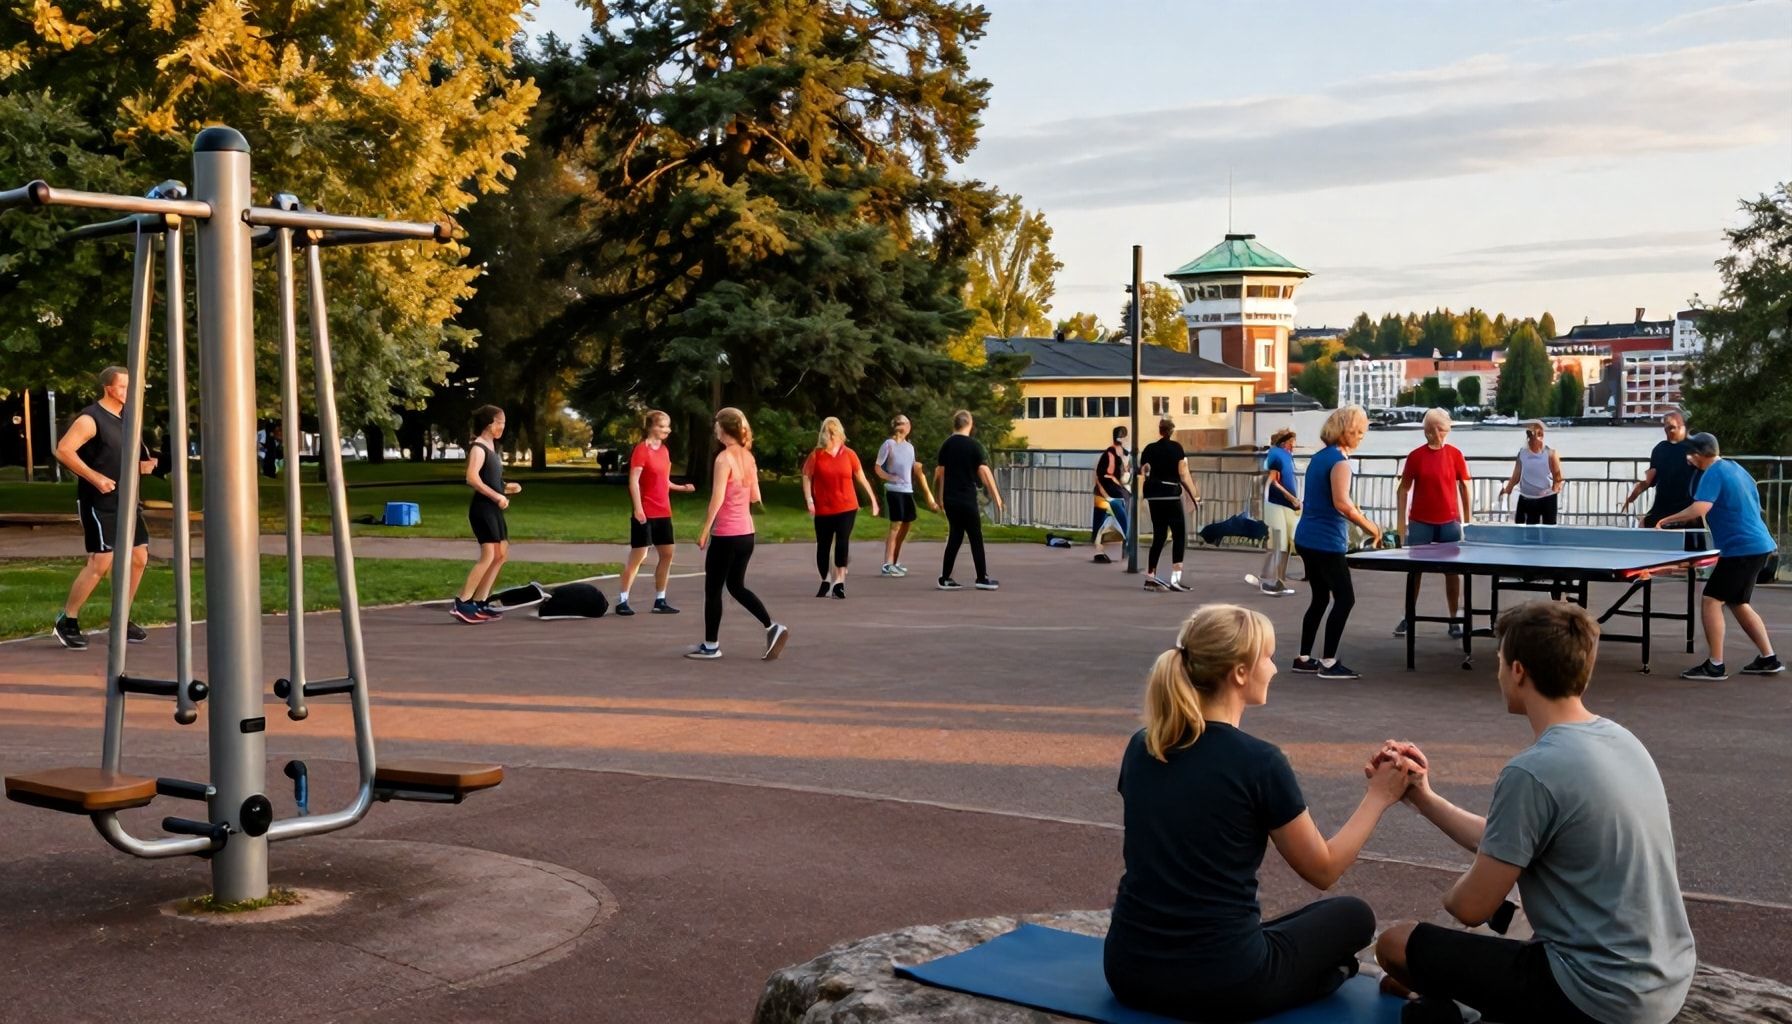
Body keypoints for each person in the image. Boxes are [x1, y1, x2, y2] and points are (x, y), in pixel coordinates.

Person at [1371, 602, 1696, 1024]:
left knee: (1396, 945)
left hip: (1595, 995)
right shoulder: (1621, 739)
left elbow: (1470, 908)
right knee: (1444, 957)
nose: (1499, 673)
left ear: (1519, 671)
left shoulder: (1532, 770)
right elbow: (1511, 838)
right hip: (1664, 982)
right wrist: (1423, 797)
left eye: (1500, 662)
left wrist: (1453, 898)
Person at [1103, 604, 1415, 1021]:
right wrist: (1379, 796)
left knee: (1281, 926)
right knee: (1353, 915)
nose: (1274, 668)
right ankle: (1331, 974)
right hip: (1225, 981)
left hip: (1128, 971)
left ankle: (1322, 971)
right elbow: (1322, 870)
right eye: (1267, 658)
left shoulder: (1143, 746)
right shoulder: (1259, 762)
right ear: (1239, 673)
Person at [1657, 432, 1782, 679]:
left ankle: (1715, 665)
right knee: (1738, 602)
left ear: (1701, 455)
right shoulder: (1736, 468)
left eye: (1691, 454)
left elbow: (1700, 508)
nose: (1688, 458)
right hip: (1758, 544)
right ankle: (1769, 658)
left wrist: (1666, 520)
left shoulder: (1713, 472)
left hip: (1742, 548)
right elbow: (1753, 505)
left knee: (1712, 600)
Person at [52, 366, 156, 650]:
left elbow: (126, 459)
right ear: (110, 388)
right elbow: (63, 450)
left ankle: (120, 619)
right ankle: (67, 620)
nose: (130, 393)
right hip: (98, 501)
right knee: (101, 562)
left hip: (126, 500)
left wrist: (145, 466)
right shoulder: (90, 418)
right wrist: (95, 478)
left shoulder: (127, 419)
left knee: (138, 558)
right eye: (124, 387)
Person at [691, 407, 789, 660]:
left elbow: (717, 497)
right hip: (747, 534)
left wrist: (705, 529)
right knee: (736, 585)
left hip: (727, 534)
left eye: (716, 426)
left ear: (724, 430)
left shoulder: (724, 459)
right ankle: (771, 626)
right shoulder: (748, 457)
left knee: (713, 590)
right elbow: (756, 496)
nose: (714, 429)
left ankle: (710, 645)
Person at [1291, 406, 1381, 680]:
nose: (1362, 437)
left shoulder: (1319, 457)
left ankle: (1303, 657)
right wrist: (1371, 527)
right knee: (1345, 598)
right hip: (1326, 541)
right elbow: (1342, 503)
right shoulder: (1340, 462)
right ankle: (1328, 662)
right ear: (1349, 432)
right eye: (1360, 433)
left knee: (1320, 597)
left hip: (1306, 536)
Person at [1394, 409, 1472, 640]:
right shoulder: (1416, 456)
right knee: (1414, 572)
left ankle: (1454, 618)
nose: (1439, 434)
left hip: (1449, 522)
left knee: (1452, 573)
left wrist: (1467, 522)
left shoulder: (1455, 455)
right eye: (1435, 429)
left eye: (1443, 429)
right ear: (1427, 430)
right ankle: (1408, 616)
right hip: (1420, 522)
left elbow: (1465, 486)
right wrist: (1401, 526)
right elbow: (1403, 489)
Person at [616, 409, 697, 617]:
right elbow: (633, 481)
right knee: (639, 556)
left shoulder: (664, 451)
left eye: (668, 426)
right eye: (662, 426)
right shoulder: (641, 450)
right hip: (646, 511)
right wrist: (638, 509)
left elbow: (664, 481)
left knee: (667, 554)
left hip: (663, 511)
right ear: (650, 427)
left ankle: (660, 600)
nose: (666, 430)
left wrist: (681, 488)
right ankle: (623, 600)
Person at [451, 405, 521, 624]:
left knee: (501, 554)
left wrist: (507, 488)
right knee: (489, 554)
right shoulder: (478, 447)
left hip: (492, 507)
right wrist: (497, 497)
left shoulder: (491, 448)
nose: (502, 427)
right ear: (490, 423)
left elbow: (491, 480)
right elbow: (472, 478)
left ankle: (480, 602)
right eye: (500, 422)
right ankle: (462, 602)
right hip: (482, 509)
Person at [802, 416, 879, 599]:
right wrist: (809, 500)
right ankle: (826, 579)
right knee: (823, 545)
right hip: (823, 508)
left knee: (842, 541)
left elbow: (861, 477)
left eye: (833, 433)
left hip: (847, 506)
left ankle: (840, 582)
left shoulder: (849, 454)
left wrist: (873, 500)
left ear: (838, 434)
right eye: (827, 433)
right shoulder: (816, 455)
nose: (830, 437)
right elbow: (806, 476)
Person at [932, 409, 1004, 591]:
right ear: (970, 425)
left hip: (951, 498)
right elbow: (984, 471)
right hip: (966, 497)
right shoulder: (973, 446)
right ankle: (981, 577)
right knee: (975, 536)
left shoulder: (946, 445)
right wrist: (996, 496)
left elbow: (940, 473)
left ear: (954, 425)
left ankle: (945, 577)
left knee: (955, 535)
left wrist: (938, 498)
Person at [1138, 417, 1199, 592]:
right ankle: (1175, 579)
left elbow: (1144, 470)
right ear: (1172, 431)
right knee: (1179, 536)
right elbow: (1183, 473)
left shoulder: (1149, 448)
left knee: (1159, 536)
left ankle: (1150, 577)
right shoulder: (1177, 448)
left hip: (1154, 496)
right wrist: (1194, 495)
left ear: (1160, 430)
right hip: (1170, 495)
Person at [875, 414, 940, 577]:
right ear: (899, 426)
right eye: (906, 423)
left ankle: (895, 561)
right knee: (895, 525)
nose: (909, 426)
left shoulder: (910, 447)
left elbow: (914, 468)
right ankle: (887, 564)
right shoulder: (888, 444)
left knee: (906, 525)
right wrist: (890, 477)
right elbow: (877, 467)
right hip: (894, 490)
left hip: (907, 490)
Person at [1624, 410, 1696, 528]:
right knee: (1643, 527)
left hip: (1686, 511)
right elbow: (1649, 480)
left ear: (1683, 427)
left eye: (1673, 427)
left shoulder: (1694, 449)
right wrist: (1632, 496)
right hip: (1663, 508)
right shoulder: (1660, 449)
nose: (1669, 431)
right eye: (1667, 428)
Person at [1259, 429, 1301, 597]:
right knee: (1278, 542)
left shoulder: (1287, 456)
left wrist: (1295, 500)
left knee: (1288, 542)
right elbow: (1273, 481)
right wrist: (1291, 498)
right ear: (1285, 442)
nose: (1294, 446)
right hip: (1275, 503)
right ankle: (1273, 580)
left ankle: (1276, 578)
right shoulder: (1275, 455)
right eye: (1293, 442)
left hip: (1289, 505)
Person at [1500, 421, 1562, 525]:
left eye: (1532, 435)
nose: (1529, 439)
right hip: (1526, 498)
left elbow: (1558, 478)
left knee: (1548, 531)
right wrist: (1507, 489)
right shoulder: (1522, 453)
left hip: (1547, 499)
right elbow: (1516, 476)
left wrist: (1552, 490)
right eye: (1528, 435)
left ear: (1541, 436)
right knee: (1524, 529)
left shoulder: (1550, 454)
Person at [1091, 425, 1131, 562]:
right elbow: (1106, 475)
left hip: (1107, 493)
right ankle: (1123, 544)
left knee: (1104, 522)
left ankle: (1101, 550)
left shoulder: (1122, 454)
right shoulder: (1111, 454)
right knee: (1110, 520)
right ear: (1123, 438)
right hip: (1109, 494)